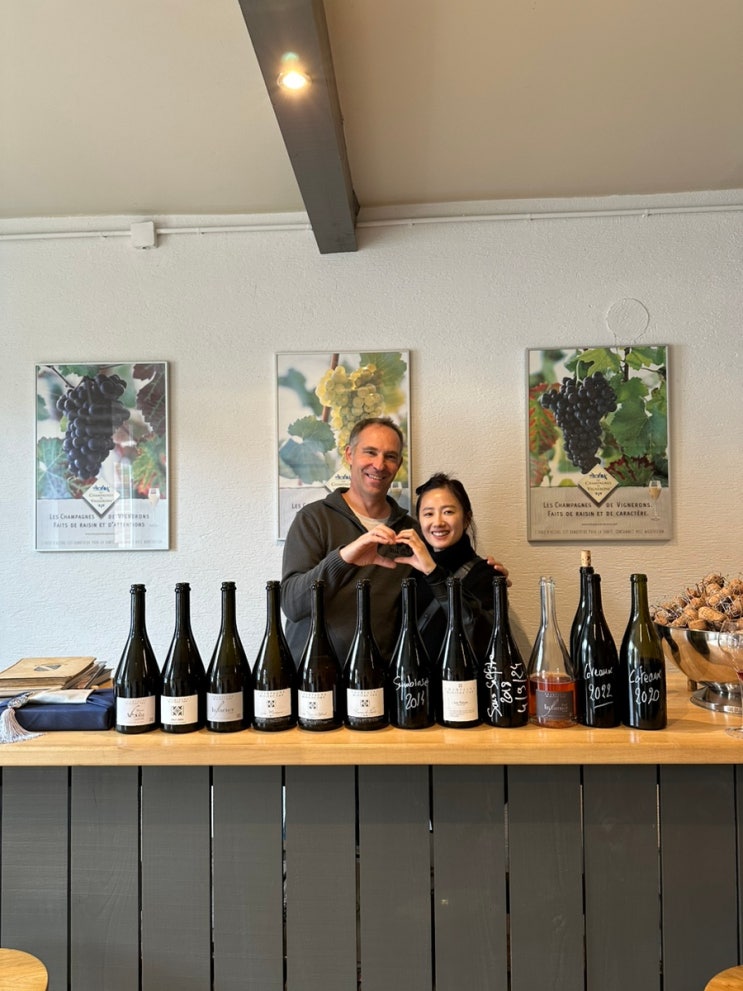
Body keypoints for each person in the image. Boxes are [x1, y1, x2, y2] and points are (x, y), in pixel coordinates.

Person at [281, 417, 418, 663]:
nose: (379, 465)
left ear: (398, 464)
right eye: (370, 452)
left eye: (390, 456)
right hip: (313, 676)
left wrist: (482, 573)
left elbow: (438, 594)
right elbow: (292, 604)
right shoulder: (313, 519)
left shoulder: (410, 531)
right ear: (349, 455)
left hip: (377, 677)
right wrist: (343, 559)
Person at [392, 473, 505, 662]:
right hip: (412, 679)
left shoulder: (487, 574)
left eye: (448, 512)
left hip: (461, 680)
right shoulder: (410, 570)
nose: (438, 522)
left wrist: (433, 572)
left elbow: (485, 639)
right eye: (428, 514)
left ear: (466, 519)